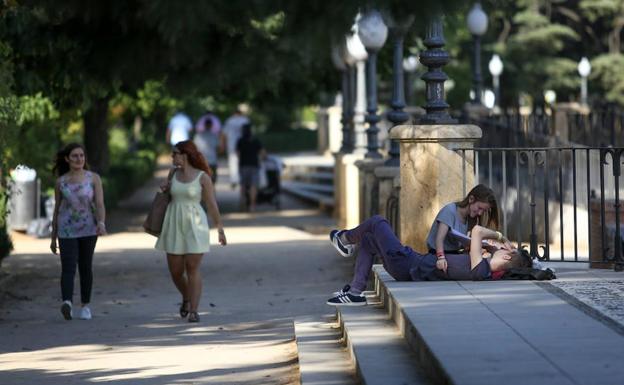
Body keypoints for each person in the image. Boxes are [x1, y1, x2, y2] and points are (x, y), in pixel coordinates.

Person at [326, 215, 528, 306]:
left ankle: (343, 239)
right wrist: (494, 246)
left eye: (506, 250)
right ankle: (355, 292)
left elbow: (477, 231)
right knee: (369, 240)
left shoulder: (482, 269)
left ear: (508, 256)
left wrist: (501, 237)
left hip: (408, 265)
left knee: (378, 222)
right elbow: (472, 237)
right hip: (411, 262)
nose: (501, 248)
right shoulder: (484, 267)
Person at [155, 140, 227, 322]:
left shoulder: (203, 177)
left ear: (185, 154)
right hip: (173, 223)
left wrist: (220, 228)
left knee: (192, 268)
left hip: (196, 225)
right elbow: (166, 194)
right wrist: (165, 188)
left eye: (175, 154)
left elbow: (211, 204)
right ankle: (187, 297)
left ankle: (194, 310)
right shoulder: (172, 173)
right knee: (176, 271)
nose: (172, 157)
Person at [50, 143, 106, 320]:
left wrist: (101, 222)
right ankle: (67, 302)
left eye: (81, 156)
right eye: (74, 156)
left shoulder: (93, 178)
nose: (79, 159)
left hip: (89, 228)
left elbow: (99, 203)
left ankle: (85, 305)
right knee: (68, 267)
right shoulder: (61, 182)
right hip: (66, 230)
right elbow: (57, 209)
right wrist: (53, 237)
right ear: (67, 159)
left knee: (85, 266)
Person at [426, 184, 501, 273]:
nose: (480, 213)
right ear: (471, 199)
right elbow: (439, 239)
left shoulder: (471, 218)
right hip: (438, 254)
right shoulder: (449, 211)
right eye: (479, 208)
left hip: (454, 254)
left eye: (483, 211)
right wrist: (441, 258)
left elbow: (465, 243)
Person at [236, 123, 265, 212]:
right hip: (254, 165)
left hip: (243, 165)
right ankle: (252, 205)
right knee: (253, 186)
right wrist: (260, 159)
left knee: (243, 185)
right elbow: (263, 152)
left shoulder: (240, 140)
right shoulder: (256, 140)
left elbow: (237, 153)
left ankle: (243, 203)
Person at [222, 106, 250, 189]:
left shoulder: (229, 121)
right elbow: (249, 133)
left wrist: (223, 145)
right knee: (243, 162)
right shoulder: (245, 120)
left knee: (233, 162)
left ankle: (234, 180)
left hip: (232, 144)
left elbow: (224, 134)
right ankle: (243, 179)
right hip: (244, 145)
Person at [193, 111, 222, 184]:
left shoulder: (198, 136)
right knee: (213, 180)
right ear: (211, 125)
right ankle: (211, 192)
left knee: (201, 180)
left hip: (202, 161)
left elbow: (194, 148)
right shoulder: (214, 136)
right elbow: (218, 148)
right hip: (212, 160)